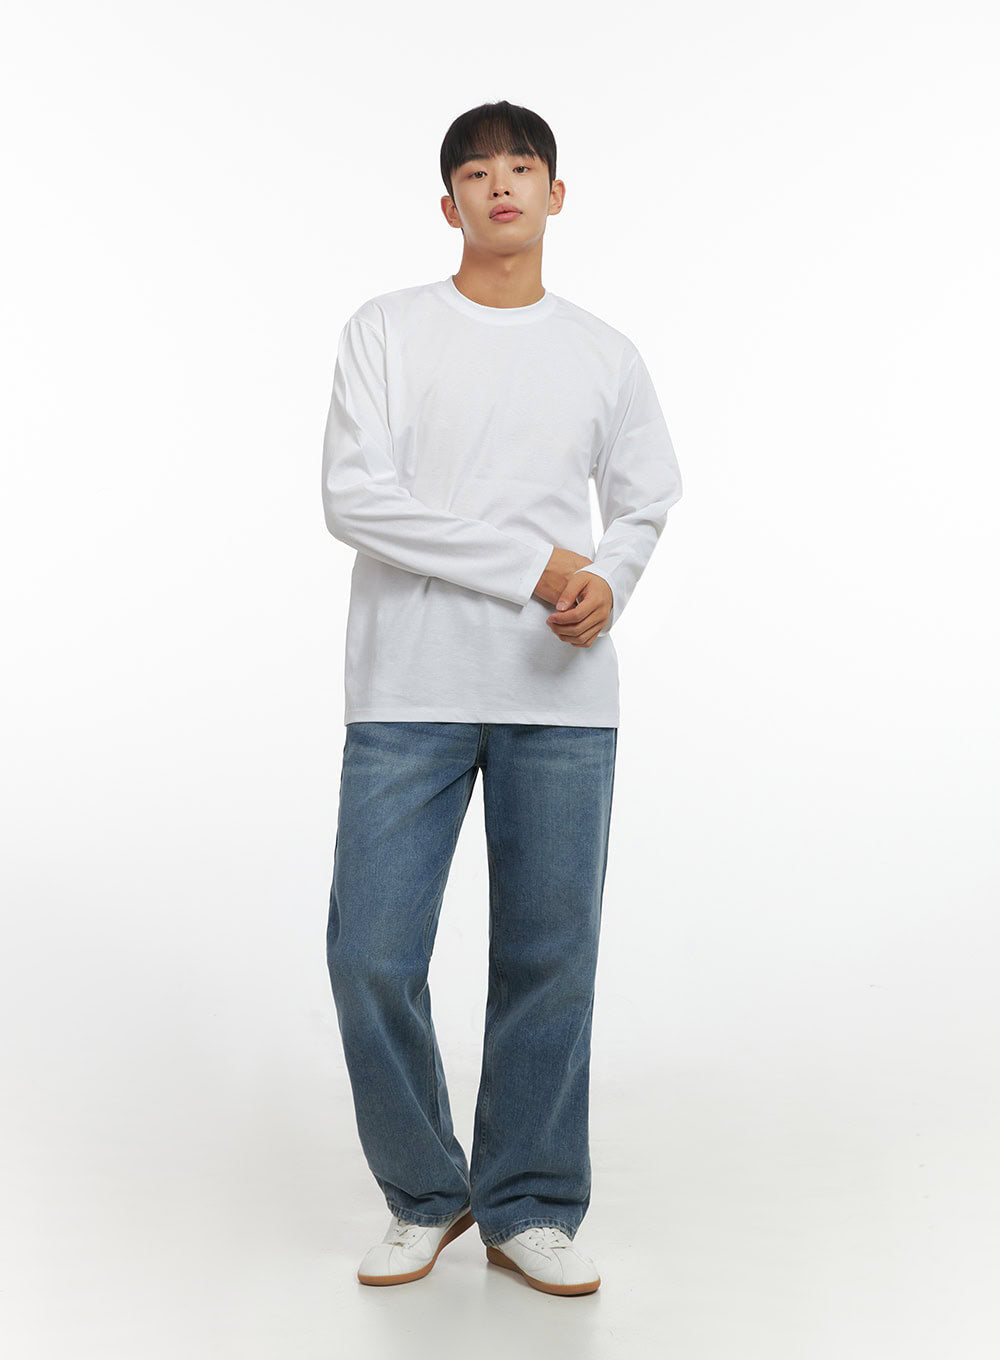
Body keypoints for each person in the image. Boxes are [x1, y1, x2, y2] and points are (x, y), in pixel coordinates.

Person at [320, 99, 682, 1297]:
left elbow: (643, 499)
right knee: (371, 953)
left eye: (522, 167)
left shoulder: (601, 353)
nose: (501, 186)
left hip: (560, 693)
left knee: (548, 960)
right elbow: (355, 498)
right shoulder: (386, 330)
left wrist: (609, 582)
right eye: (476, 173)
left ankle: (527, 1202)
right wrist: (534, 564)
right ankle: (429, 1191)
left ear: (555, 195)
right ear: (449, 205)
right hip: (406, 685)